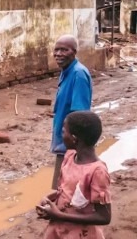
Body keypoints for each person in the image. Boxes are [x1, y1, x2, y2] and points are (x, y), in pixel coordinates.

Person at [37, 111, 111, 239]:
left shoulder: (97, 171)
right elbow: (65, 190)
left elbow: (104, 217)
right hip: (60, 229)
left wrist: (59, 215)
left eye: (64, 131)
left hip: (81, 234)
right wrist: (49, 198)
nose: (61, 134)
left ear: (74, 138)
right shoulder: (70, 156)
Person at [50, 34, 92, 189]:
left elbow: (79, 114)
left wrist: (72, 144)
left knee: (62, 187)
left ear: (74, 52)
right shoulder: (67, 70)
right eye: (56, 50)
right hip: (63, 140)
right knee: (61, 186)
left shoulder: (78, 74)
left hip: (69, 143)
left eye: (64, 50)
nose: (59, 54)